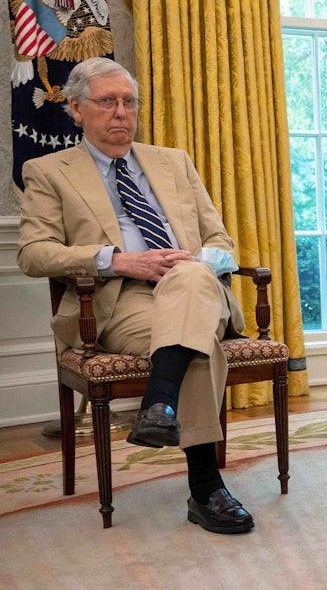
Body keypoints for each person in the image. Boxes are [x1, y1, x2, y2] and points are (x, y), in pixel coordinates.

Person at [17, 58, 254, 534]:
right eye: (107, 101)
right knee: (195, 344)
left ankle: (159, 405)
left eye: (129, 102)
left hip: (194, 288)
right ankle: (206, 488)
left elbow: (223, 244)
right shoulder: (48, 171)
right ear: (78, 109)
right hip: (118, 300)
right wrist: (118, 260)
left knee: (190, 282)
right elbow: (33, 253)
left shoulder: (174, 162)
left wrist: (190, 262)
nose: (121, 112)